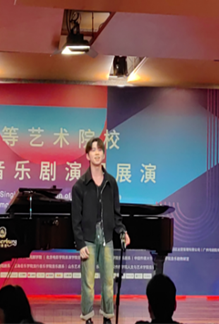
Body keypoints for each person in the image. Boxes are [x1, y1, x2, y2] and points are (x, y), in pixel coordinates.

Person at [71, 137, 130, 324]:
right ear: (87, 155)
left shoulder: (111, 183)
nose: (97, 153)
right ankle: (88, 317)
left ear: (103, 154)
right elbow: (75, 219)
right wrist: (80, 243)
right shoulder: (80, 185)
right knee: (88, 283)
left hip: (106, 237)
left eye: (100, 150)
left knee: (108, 282)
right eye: (93, 150)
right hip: (88, 239)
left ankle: (107, 316)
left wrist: (122, 231)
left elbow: (116, 214)